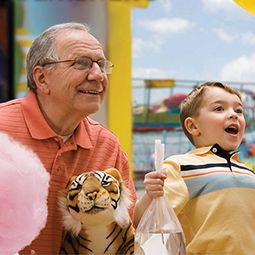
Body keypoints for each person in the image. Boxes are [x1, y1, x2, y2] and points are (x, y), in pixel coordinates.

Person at [0, 22, 137, 255]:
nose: (98, 75)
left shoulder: (107, 145)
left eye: (101, 65)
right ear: (42, 79)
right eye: (81, 63)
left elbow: (123, 230)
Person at [134, 81, 255, 254]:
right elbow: (142, 220)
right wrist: (150, 195)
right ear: (193, 126)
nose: (234, 115)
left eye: (239, 110)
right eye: (219, 109)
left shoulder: (249, 172)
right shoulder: (181, 167)